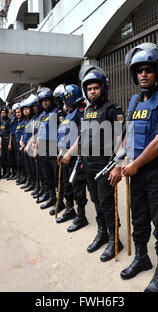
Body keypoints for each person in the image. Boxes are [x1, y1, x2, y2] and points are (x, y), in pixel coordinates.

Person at [109, 43, 158, 292]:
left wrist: (135, 165)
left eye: (148, 70)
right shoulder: (134, 102)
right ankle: (142, 257)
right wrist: (119, 164)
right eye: (139, 70)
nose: (143, 74)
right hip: (136, 171)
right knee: (138, 217)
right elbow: (128, 137)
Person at [75, 65, 125, 261]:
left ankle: (115, 240)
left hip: (106, 166)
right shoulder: (86, 111)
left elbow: (122, 138)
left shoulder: (113, 110)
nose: (92, 92)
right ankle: (102, 232)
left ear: (103, 88)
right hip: (88, 165)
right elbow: (83, 136)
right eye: (89, 89)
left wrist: (118, 165)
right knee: (96, 201)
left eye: (95, 88)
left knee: (106, 203)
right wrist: (81, 159)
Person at [59, 84, 89, 231]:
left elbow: (82, 134)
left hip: (75, 157)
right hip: (64, 156)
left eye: (64, 99)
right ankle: (70, 209)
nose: (63, 102)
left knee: (78, 187)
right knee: (67, 185)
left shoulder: (81, 111)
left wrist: (70, 152)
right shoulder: (69, 113)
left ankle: (81, 216)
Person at [35, 87, 66, 215]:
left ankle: (60, 203)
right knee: (47, 177)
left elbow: (64, 131)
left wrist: (62, 150)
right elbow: (40, 132)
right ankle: (51, 198)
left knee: (57, 177)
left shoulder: (59, 112)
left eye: (47, 100)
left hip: (54, 148)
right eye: (42, 101)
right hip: (43, 149)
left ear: (51, 100)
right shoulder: (43, 115)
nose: (45, 103)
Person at [7, 104, 19, 181]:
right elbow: (11, 132)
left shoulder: (16, 118)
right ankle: (14, 173)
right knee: (13, 157)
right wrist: (10, 143)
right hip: (13, 138)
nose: (9, 111)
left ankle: (18, 174)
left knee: (18, 158)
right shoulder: (13, 118)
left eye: (10, 109)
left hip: (17, 138)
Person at [0, 107, 11, 179]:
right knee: (4, 158)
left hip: (7, 142)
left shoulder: (9, 121)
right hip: (3, 142)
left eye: (4, 112)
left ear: (7, 113)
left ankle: (10, 173)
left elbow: (10, 133)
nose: (3, 114)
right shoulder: (2, 122)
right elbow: (1, 134)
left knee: (9, 158)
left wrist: (10, 143)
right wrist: (0, 144)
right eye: (2, 113)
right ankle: (6, 172)